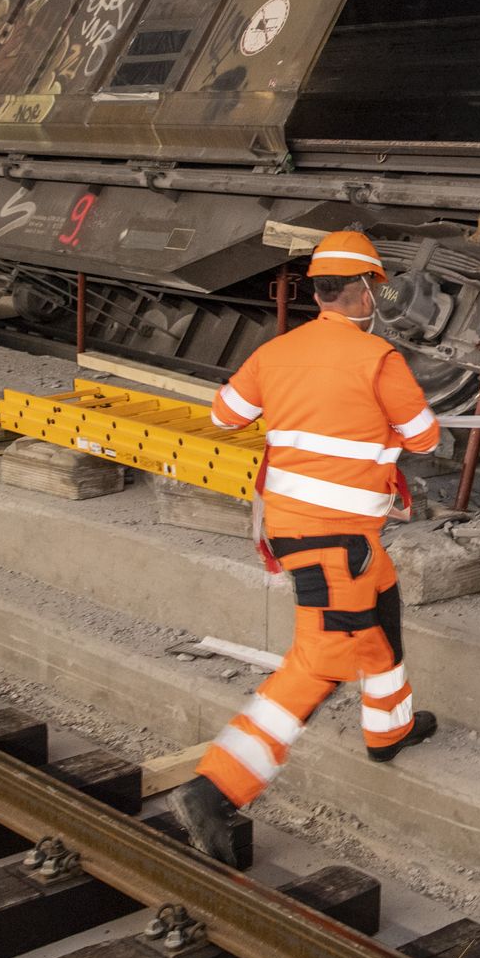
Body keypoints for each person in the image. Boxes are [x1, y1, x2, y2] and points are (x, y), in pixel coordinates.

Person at [169, 230, 441, 864]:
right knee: (320, 661)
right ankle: (214, 792)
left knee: (383, 603)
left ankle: (389, 729)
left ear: (319, 290)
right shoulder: (379, 360)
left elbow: (224, 416)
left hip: (302, 531)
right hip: (335, 537)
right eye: (376, 286)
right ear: (365, 289)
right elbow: (424, 441)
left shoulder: (278, 351)